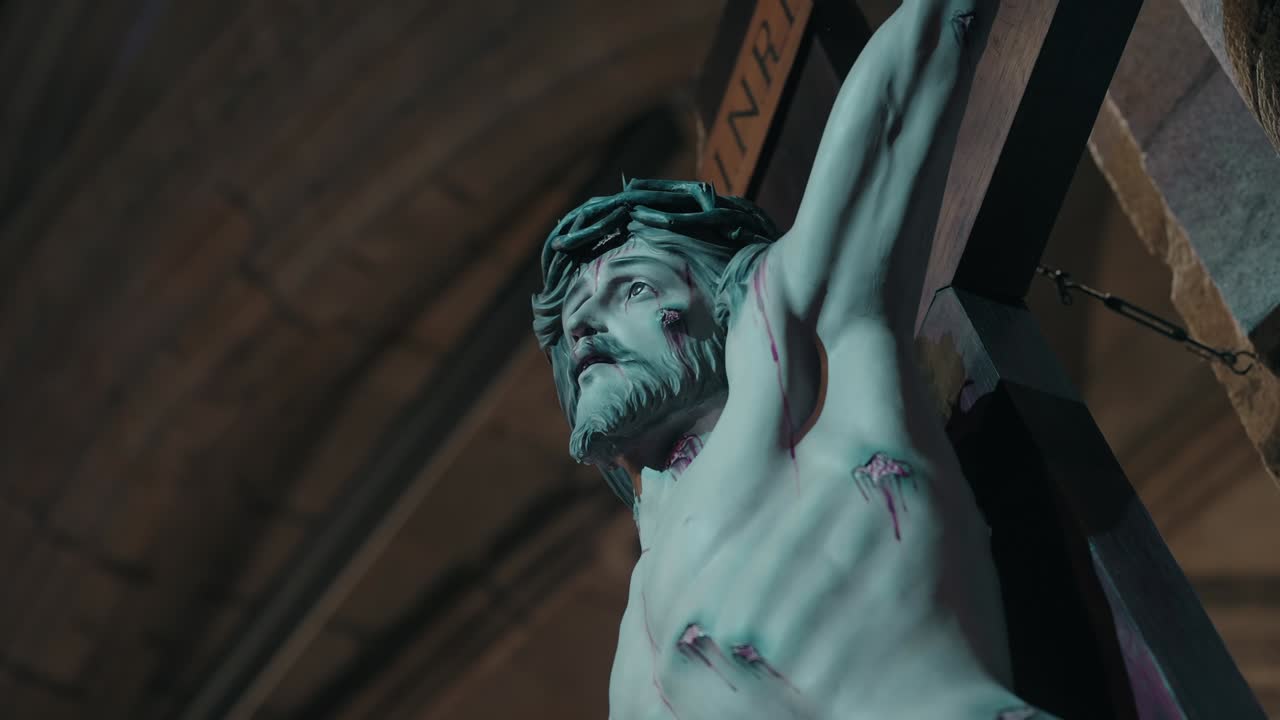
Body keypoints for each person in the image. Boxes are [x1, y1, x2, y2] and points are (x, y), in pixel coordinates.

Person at [531, 0, 1050, 717]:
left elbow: (900, 91)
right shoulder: (637, 618)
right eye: (576, 324)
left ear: (723, 299)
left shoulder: (793, 353)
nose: (587, 333)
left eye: (632, 290)